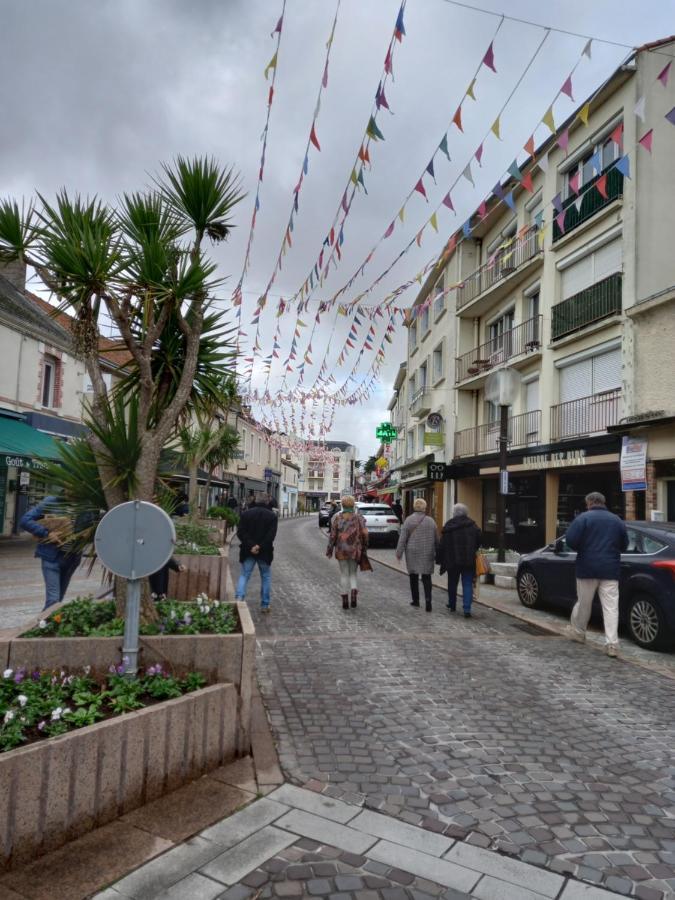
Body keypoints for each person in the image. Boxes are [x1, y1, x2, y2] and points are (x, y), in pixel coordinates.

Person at [565, 491, 629, 658]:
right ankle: (612, 644)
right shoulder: (617, 520)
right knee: (611, 607)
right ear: (603, 502)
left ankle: (579, 633)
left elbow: (570, 540)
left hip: (586, 568)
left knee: (584, 603)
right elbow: (625, 544)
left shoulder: (582, 519)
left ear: (590, 502)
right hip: (610, 569)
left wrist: (583, 548)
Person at [19, 495, 84, 610]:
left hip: (72, 558)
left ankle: (45, 624)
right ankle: (42, 625)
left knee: (58, 600)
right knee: (53, 600)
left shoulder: (87, 504)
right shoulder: (52, 501)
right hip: (52, 557)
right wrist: (47, 533)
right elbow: (25, 520)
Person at [437, 503, 482, 618]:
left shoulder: (449, 525)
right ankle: (467, 609)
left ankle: (452, 605)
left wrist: (440, 558)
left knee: (452, 583)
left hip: (453, 560)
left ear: (454, 513)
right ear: (466, 513)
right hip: (468, 560)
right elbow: (479, 541)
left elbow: (442, 545)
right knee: (467, 584)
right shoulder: (473, 526)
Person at [235, 495, 278, 613]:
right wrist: (259, 546)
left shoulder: (246, 514)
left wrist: (251, 545)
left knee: (244, 575)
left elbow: (241, 532)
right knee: (265, 577)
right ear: (268, 502)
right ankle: (265, 604)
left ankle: (239, 599)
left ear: (255, 501)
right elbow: (271, 536)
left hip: (248, 550)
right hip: (264, 552)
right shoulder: (272, 516)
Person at [396, 498, 438, 611]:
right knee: (426, 576)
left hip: (412, 552)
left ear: (415, 507)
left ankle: (416, 600)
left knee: (413, 576)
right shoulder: (431, 521)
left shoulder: (409, 520)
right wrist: (437, 552)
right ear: (425, 507)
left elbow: (402, 539)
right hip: (427, 551)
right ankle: (428, 601)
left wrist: (398, 553)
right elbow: (436, 538)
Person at [326, 495, 368, 610]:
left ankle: (345, 600)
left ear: (342, 505)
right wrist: (364, 546)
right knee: (353, 573)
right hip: (355, 549)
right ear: (353, 504)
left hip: (341, 550)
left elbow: (332, 536)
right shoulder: (359, 517)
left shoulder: (338, 518)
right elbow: (365, 533)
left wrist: (329, 550)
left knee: (344, 574)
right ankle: (354, 593)